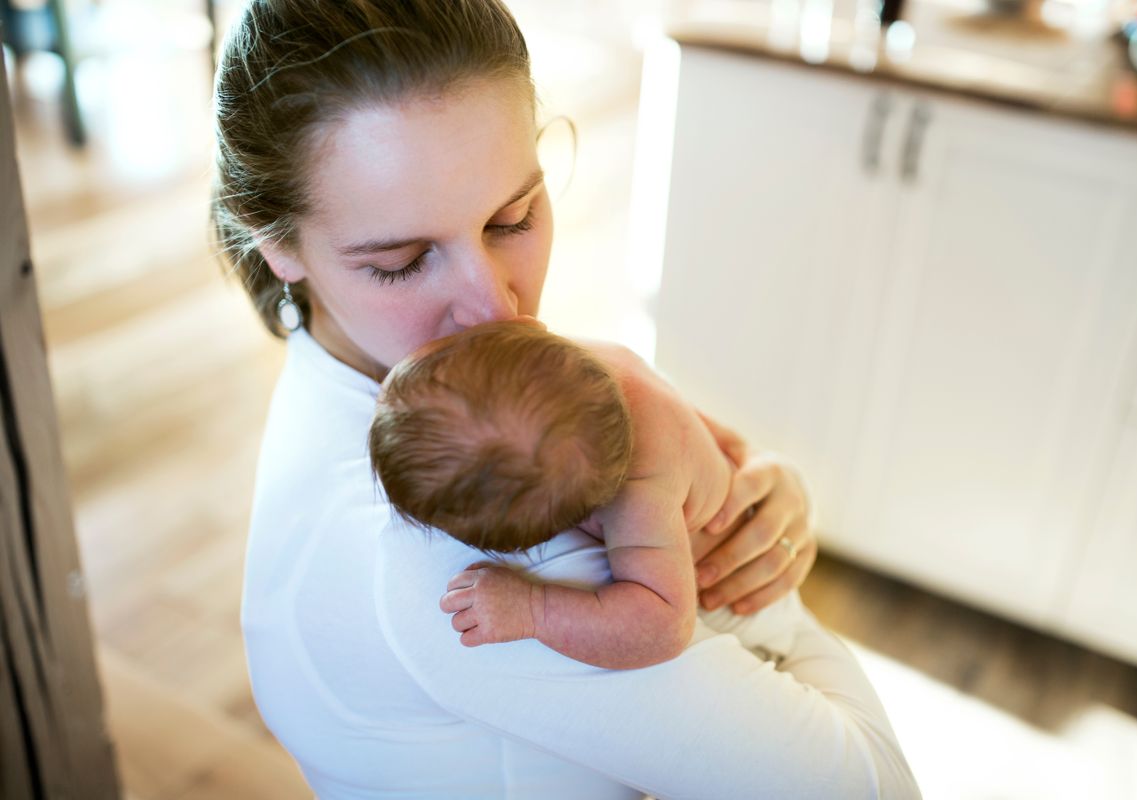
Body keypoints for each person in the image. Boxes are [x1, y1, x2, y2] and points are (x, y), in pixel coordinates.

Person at [216, 1, 920, 797]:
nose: (495, 310)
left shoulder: (391, 403)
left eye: (512, 218)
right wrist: (779, 607)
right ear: (273, 240)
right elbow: (872, 785)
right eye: (405, 261)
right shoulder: (451, 545)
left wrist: (765, 488)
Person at [371, 317, 746, 669]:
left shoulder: (641, 491)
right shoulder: (568, 365)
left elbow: (664, 627)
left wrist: (534, 610)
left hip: (737, 592)